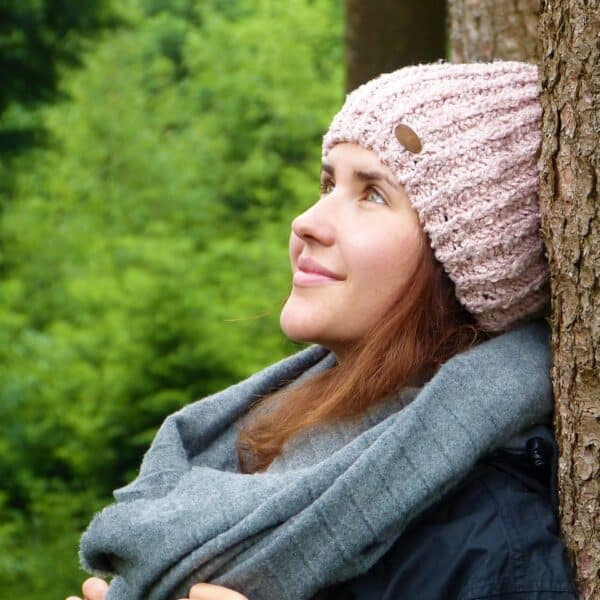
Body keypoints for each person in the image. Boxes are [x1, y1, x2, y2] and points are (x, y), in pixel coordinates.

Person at [68, 61, 577, 600]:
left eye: (373, 194)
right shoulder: (272, 446)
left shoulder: (488, 543)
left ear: (466, 266)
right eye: (330, 182)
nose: (306, 221)